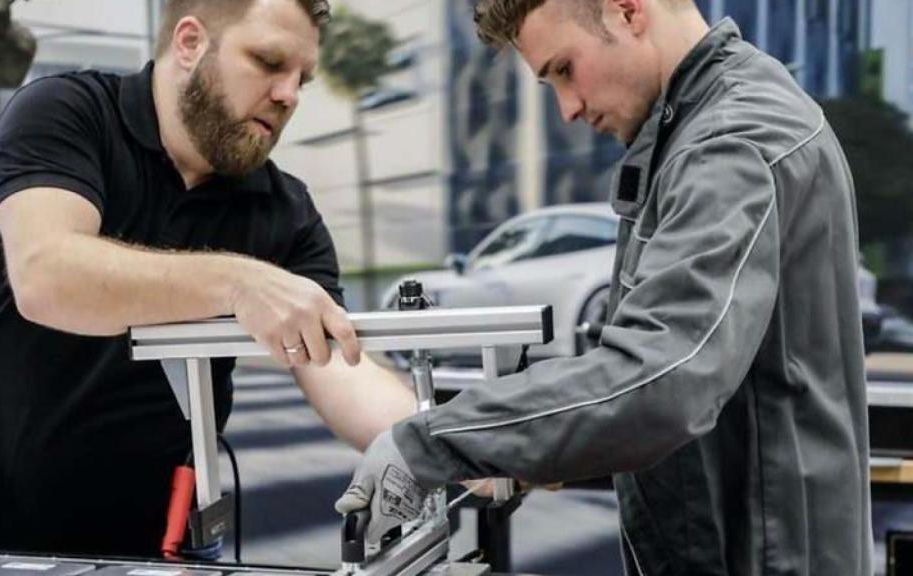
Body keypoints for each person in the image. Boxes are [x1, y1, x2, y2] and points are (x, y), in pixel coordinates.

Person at [336, 1, 873, 574]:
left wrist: (430, 443)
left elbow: (659, 380)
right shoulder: (698, 129)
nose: (566, 109)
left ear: (627, 10)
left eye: (565, 69)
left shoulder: (730, 145)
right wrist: (533, 450)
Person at [0, 0, 417, 558]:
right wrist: (236, 283)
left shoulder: (284, 210)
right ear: (189, 43)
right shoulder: (65, 113)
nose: (289, 95)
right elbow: (47, 276)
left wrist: (452, 445)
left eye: (302, 77)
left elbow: (335, 365)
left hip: (170, 545)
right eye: (269, 62)